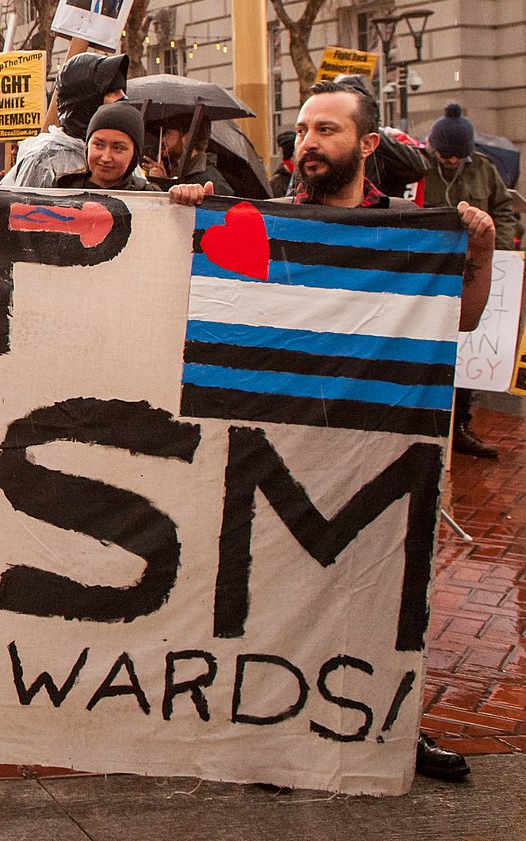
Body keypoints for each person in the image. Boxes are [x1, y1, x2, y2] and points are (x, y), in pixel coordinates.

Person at [171, 80, 496, 785]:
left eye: (327, 131)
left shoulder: (411, 231)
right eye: (304, 131)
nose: (308, 144)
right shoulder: (268, 219)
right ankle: (271, 726)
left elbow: (463, 319)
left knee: (384, 590)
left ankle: (393, 728)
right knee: (273, 588)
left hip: (376, 441)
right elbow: (194, 294)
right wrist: (190, 217)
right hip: (281, 441)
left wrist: (481, 252)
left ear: (367, 146)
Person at [421, 103, 521, 459]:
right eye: (445, 156)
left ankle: (461, 423)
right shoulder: (419, 169)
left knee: (468, 350)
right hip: (430, 275)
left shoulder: (485, 171)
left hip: (471, 272)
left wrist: (502, 249)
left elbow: (504, 210)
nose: (450, 162)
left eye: (457, 157)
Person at [3, 51, 128, 188]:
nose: (122, 98)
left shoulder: (125, 151)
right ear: (88, 101)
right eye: (112, 92)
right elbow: (25, 207)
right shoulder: (44, 161)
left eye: (123, 91)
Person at [54, 102, 154, 191]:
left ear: (134, 154)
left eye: (117, 148)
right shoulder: (62, 190)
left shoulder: (149, 196)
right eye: (98, 145)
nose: (106, 158)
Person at [145, 118, 234, 195]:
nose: (163, 139)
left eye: (168, 133)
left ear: (187, 138)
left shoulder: (211, 179)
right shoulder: (182, 172)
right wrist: (162, 183)